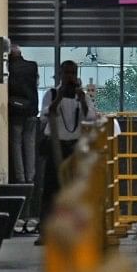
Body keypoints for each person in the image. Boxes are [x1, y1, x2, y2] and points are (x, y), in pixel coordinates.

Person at [37, 60, 98, 239]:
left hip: (75, 148)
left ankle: (77, 230)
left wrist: (83, 100)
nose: (69, 77)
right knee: (51, 190)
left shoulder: (82, 97)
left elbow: (91, 118)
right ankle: (45, 232)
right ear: (60, 74)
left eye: (72, 73)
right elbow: (45, 116)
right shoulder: (52, 93)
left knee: (76, 190)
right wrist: (60, 97)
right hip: (56, 146)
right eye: (66, 73)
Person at [5, 43, 39, 189]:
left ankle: (20, 178)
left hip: (16, 111)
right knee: (30, 143)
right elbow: (35, 85)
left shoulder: (10, 68)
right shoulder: (32, 66)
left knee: (16, 144)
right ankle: (31, 177)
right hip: (31, 110)